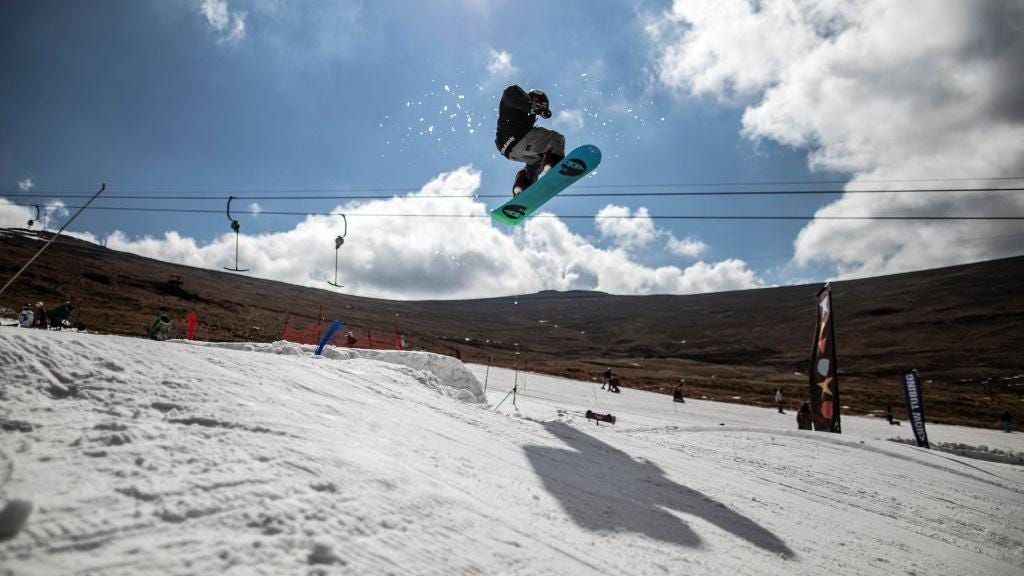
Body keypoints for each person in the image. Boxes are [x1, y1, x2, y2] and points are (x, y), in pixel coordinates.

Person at [495, 85, 565, 196]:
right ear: (535, 98)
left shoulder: (526, 114)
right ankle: (554, 165)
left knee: (538, 160)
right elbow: (508, 94)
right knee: (556, 138)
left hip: (508, 150)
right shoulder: (516, 93)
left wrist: (536, 109)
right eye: (542, 104)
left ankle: (523, 186)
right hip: (518, 137)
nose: (541, 108)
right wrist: (533, 107)